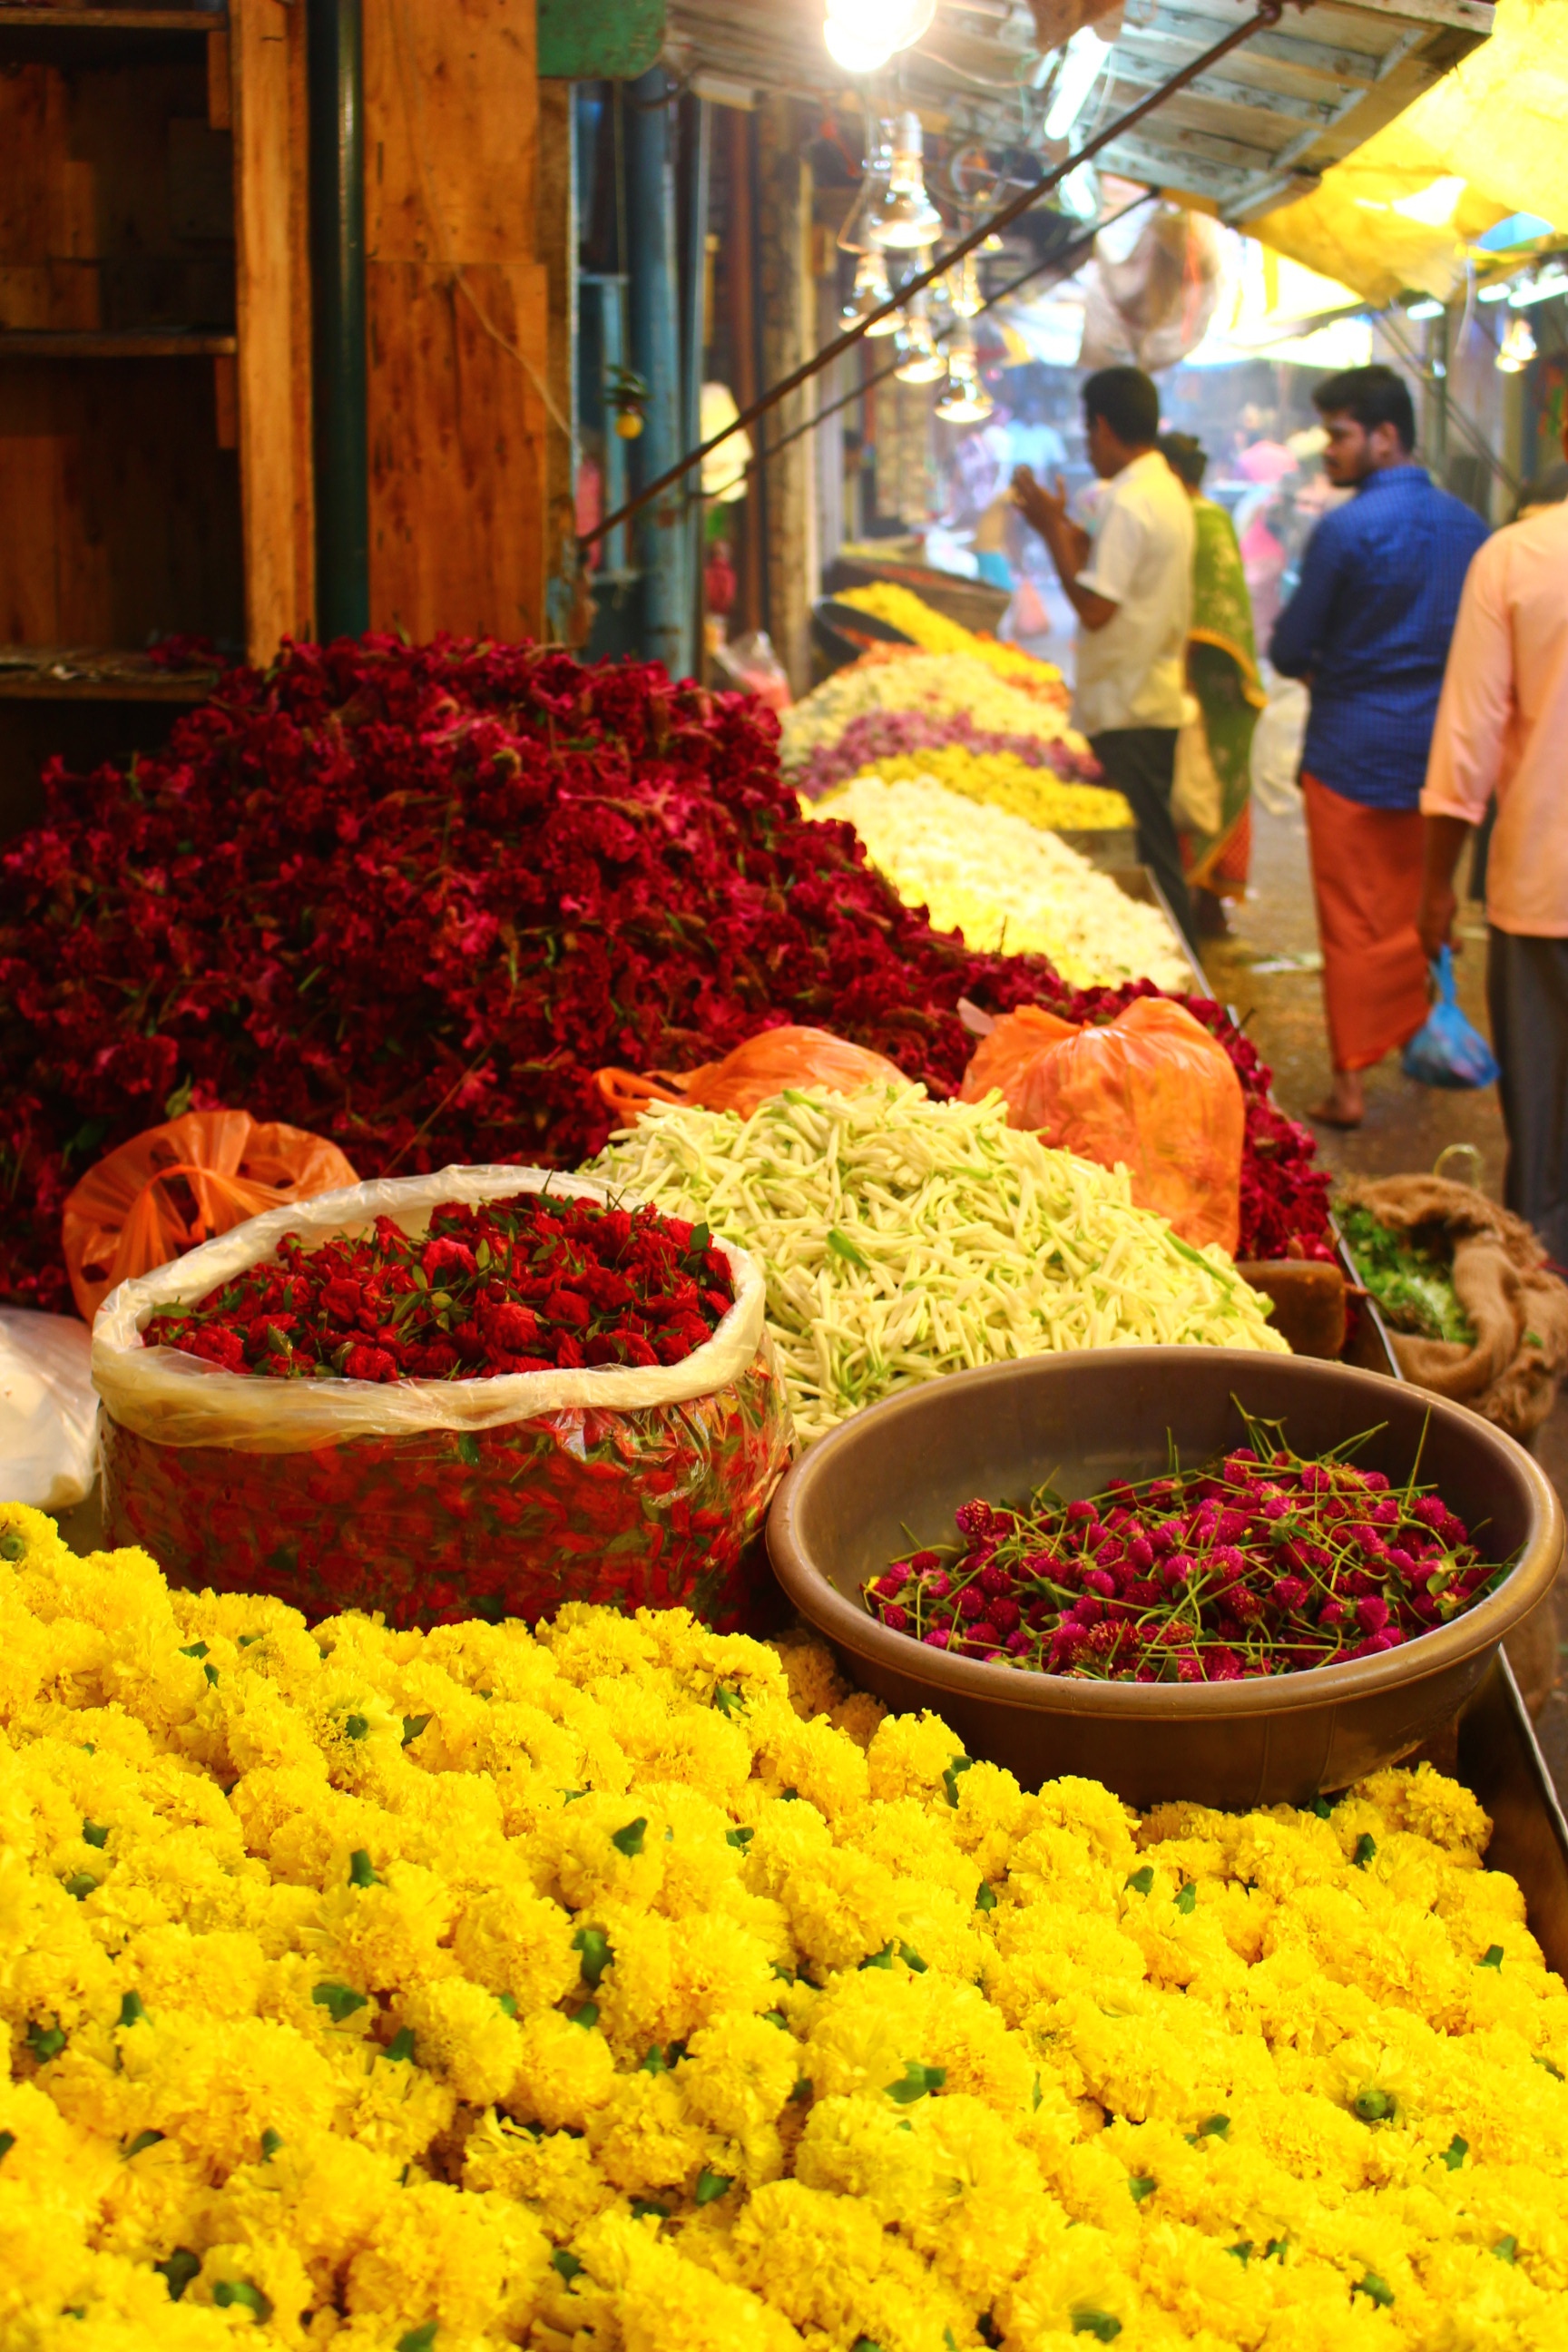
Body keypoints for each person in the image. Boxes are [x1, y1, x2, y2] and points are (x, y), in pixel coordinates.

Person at [1270, 364, 1489, 1129]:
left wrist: (1326, 662)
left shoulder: (1344, 529)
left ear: (1385, 436)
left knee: (1353, 920)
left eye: (1339, 434)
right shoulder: (1471, 528)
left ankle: (1351, 1086)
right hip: (1443, 761)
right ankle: (1422, 1042)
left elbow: (1290, 646)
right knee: (1420, 907)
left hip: (1352, 754)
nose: (1327, 450)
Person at [1417, 407, 1568, 1261]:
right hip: (1540, 889)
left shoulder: (1517, 557)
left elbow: (1466, 743)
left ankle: (1546, 1322)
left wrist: (1435, 888)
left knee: (1545, 1146)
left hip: (1547, 891)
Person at [1012, 365, 1199, 948]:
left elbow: (1094, 607)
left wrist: (1048, 530)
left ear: (1102, 426)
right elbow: (1102, 563)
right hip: (1146, 691)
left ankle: (1183, 978)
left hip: (1130, 699)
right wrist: (1061, 523)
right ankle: (1176, 967)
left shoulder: (1131, 500)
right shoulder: (1161, 489)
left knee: (1150, 851)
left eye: (1088, 434)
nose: (1088, 448)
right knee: (1153, 843)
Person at [1159, 432, 1266, 936]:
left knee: (1204, 789)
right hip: (1197, 678)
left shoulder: (1202, 519)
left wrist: (1179, 669)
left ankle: (1204, 900)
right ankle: (1196, 898)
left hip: (1209, 682)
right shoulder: (1195, 516)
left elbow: (1209, 607)